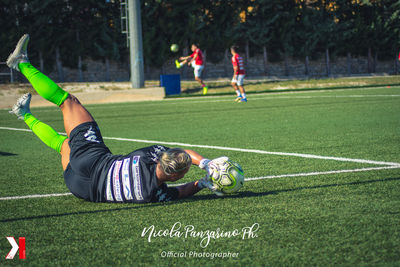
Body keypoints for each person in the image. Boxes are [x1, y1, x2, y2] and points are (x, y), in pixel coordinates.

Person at [7, 34, 222, 203]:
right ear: (173, 177)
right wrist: (202, 184)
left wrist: (205, 163)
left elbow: (183, 155)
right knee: (63, 145)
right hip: (81, 188)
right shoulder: (153, 195)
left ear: (163, 159)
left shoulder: (148, 155)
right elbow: (180, 192)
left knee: (67, 101)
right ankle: (23, 114)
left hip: (93, 163)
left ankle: (21, 63)